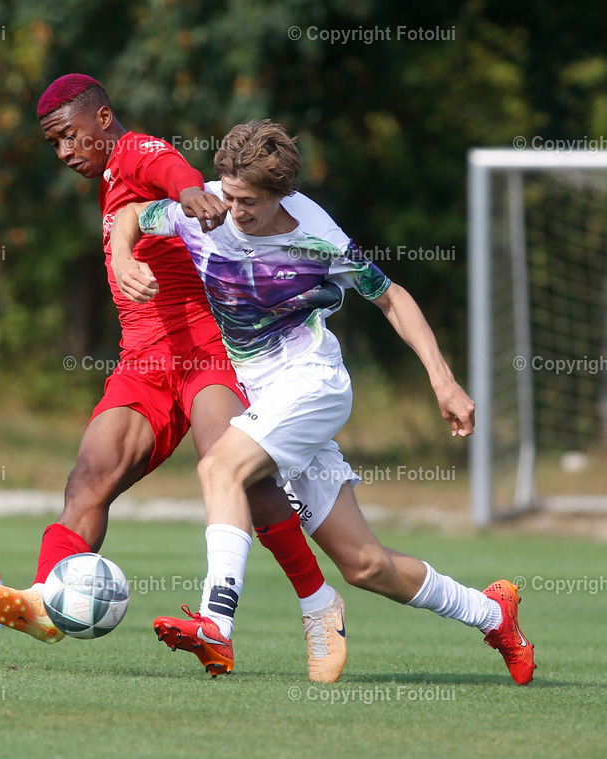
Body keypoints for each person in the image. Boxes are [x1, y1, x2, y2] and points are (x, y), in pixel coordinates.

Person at [109, 119, 535, 685]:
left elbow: (392, 298)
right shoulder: (205, 209)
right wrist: (121, 257)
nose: (234, 211)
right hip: (265, 394)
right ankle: (492, 614)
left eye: (250, 202)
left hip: (312, 383)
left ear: (282, 194)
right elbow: (130, 215)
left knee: (219, 467)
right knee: (364, 565)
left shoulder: (318, 237)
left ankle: (215, 623)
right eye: (228, 194)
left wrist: (443, 380)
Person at [0, 74, 348, 682]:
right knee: (88, 478)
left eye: (70, 137)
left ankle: (318, 605)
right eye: (53, 144)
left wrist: (193, 195)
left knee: (245, 480)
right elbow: (141, 213)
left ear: (102, 119)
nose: (65, 152)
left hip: (206, 352)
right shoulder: (106, 181)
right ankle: (48, 601)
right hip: (143, 364)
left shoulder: (134, 152)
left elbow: (170, 168)